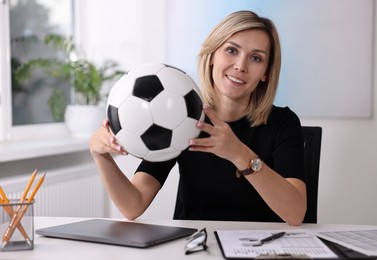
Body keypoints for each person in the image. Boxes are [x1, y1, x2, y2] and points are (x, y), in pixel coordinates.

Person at [89, 10, 306, 226]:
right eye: (231, 50)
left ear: (265, 73)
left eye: (256, 58)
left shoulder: (283, 122)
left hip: (262, 248)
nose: (241, 66)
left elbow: (295, 214)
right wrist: (101, 156)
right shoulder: (182, 117)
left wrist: (238, 153)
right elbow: (133, 205)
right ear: (212, 56)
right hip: (196, 246)